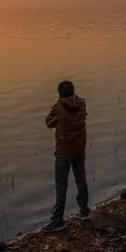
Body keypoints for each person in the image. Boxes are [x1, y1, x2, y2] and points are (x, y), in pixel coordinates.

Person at [41, 80, 90, 233]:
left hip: (64, 151)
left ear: (59, 93)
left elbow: (49, 123)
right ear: (73, 90)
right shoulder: (82, 103)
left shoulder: (58, 108)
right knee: (81, 179)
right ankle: (84, 211)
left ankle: (57, 219)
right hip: (80, 148)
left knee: (61, 185)